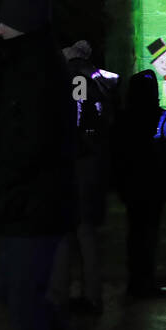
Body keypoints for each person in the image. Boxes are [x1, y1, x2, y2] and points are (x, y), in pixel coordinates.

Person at [0, 0, 77, 330]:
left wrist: (8, 182)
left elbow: (31, 143)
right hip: (25, 202)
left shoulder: (36, 72)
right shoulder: (26, 64)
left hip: (34, 204)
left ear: (22, 26)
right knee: (13, 291)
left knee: (22, 295)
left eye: (5, 23)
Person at [50, 40, 119, 315]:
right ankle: (91, 296)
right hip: (93, 162)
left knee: (68, 232)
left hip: (76, 164)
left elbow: (75, 117)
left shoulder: (75, 77)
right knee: (85, 232)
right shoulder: (100, 79)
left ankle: (61, 297)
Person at [111, 69, 166, 298]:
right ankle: (146, 281)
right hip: (154, 186)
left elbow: (116, 156)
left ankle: (136, 282)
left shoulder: (123, 119)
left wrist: (119, 184)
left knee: (135, 233)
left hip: (133, 186)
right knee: (149, 234)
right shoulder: (163, 118)